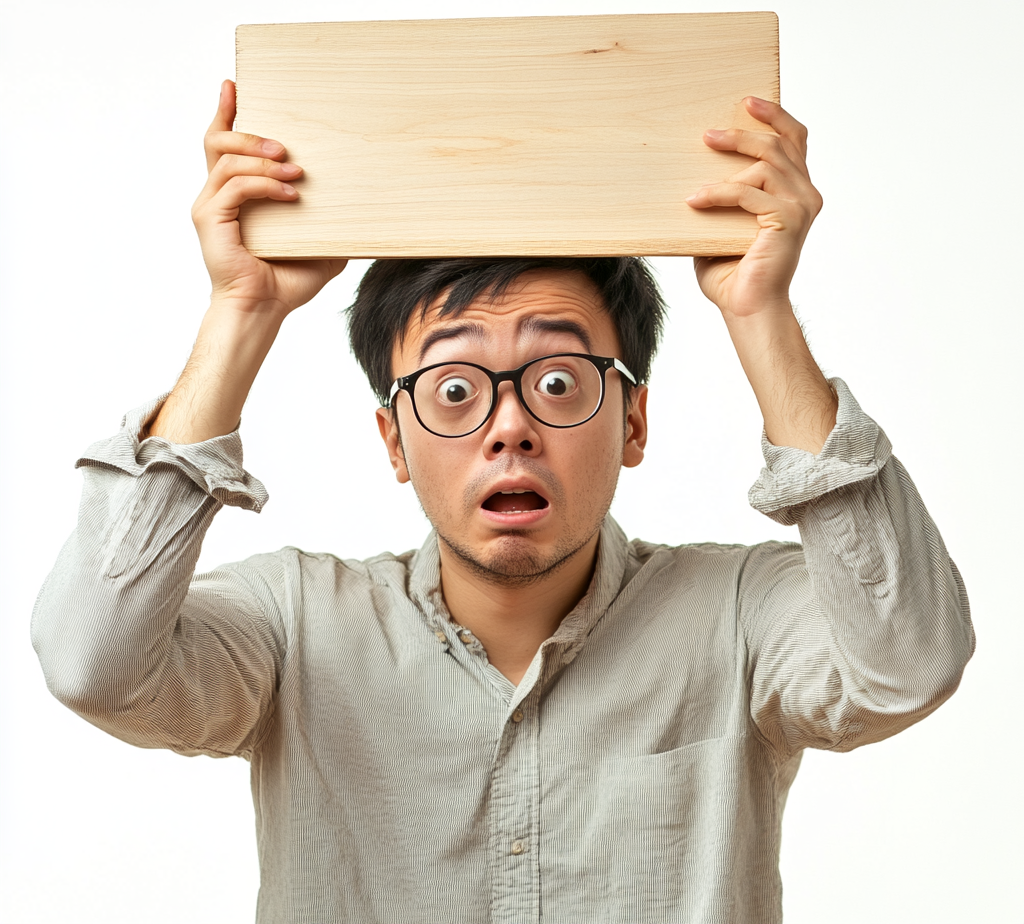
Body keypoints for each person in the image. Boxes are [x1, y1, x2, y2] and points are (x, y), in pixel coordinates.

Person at [31, 81, 974, 924]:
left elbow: (907, 664)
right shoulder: (292, 627)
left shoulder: (737, 618)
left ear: (634, 423)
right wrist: (241, 312)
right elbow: (93, 663)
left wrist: (759, 310)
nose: (510, 427)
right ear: (394, 442)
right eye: (453, 390)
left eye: (560, 381)